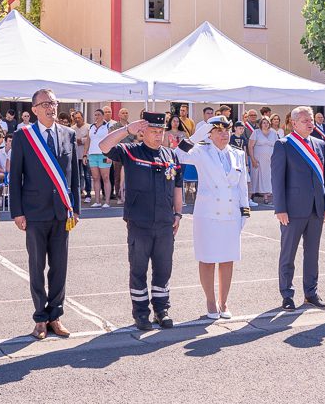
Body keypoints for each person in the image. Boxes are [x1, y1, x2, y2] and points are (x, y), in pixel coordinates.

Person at [98, 112, 183, 330]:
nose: (158, 135)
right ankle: (141, 313)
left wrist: (178, 214)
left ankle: (161, 310)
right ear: (142, 132)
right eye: (153, 131)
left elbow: (177, 187)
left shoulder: (170, 156)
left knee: (163, 269)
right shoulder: (131, 152)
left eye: (160, 131)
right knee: (138, 269)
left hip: (164, 222)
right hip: (139, 222)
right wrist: (127, 129)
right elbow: (104, 146)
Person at [10, 88, 80, 340]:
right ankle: (40, 318)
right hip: (35, 212)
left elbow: (74, 175)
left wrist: (76, 208)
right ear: (34, 109)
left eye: (53, 102)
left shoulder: (69, 134)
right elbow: (15, 176)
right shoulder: (23, 136)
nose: (51, 107)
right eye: (45, 104)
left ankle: (55, 316)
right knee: (37, 266)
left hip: (62, 211)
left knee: (59, 267)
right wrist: (17, 211)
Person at [176, 116, 250, 319]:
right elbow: (177, 155)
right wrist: (199, 133)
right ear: (210, 134)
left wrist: (244, 212)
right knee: (208, 259)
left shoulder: (237, 154)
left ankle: (224, 302)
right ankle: (210, 301)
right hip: (208, 214)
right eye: (219, 130)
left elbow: (242, 185)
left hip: (231, 213)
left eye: (226, 130)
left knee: (227, 259)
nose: (224, 134)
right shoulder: (200, 151)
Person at [271, 106, 325, 311]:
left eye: (311, 120)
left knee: (312, 253)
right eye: (305, 120)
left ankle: (311, 293)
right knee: (288, 254)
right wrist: (280, 208)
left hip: (316, 208)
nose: (310, 124)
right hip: (292, 209)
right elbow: (277, 180)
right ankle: (287, 294)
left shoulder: (320, 143)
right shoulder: (284, 145)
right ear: (294, 123)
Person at [87, 109, 112, 207]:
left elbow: (111, 140)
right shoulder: (91, 127)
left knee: (105, 177)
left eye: (98, 114)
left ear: (103, 115)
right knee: (95, 178)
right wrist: (85, 154)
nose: (96, 116)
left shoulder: (108, 126)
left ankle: (107, 202)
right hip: (92, 155)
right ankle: (97, 201)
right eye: (95, 115)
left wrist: (110, 155)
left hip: (104, 154)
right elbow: (88, 142)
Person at [250, 116, 277, 204]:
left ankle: (266, 197)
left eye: (267, 123)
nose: (266, 124)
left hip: (270, 159)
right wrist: (253, 159)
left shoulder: (274, 133)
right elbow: (250, 146)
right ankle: (251, 197)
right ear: (261, 124)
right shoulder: (256, 132)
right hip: (257, 159)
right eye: (264, 123)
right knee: (255, 177)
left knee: (267, 177)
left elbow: (277, 146)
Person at [72, 111, 91, 203]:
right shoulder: (72, 128)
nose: (77, 120)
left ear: (83, 117)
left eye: (79, 118)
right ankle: (79, 193)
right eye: (75, 118)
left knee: (87, 175)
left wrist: (81, 140)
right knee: (77, 176)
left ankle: (88, 194)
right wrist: (82, 140)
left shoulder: (88, 127)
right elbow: (72, 141)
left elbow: (89, 139)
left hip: (85, 155)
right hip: (76, 155)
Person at [0, 133, 12, 210]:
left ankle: (13, 200)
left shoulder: (16, 151)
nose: (11, 143)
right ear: (5, 142)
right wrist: (5, 171)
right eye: (10, 141)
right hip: (3, 173)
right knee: (0, 176)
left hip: (13, 173)